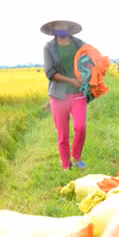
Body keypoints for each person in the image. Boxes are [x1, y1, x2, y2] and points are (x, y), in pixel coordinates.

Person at [42, 19, 88, 170]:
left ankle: (76, 158)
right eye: (57, 26)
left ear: (69, 27)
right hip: (58, 95)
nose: (61, 28)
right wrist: (70, 80)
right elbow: (50, 72)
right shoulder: (49, 47)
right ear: (53, 29)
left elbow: (89, 62)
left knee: (80, 127)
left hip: (78, 94)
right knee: (63, 134)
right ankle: (65, 166)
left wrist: (88, 73)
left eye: (64, 25)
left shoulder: (79, 44)